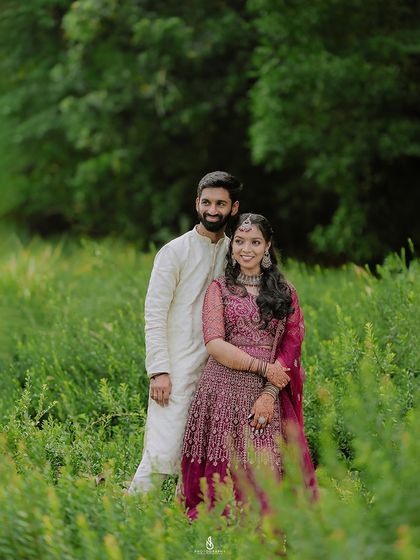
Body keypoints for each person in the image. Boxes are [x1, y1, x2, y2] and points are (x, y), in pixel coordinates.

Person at [180, 213, 317, 519]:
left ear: (267, 246)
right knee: (218, 481)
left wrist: (268, 392)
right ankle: (212, 544)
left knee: (263, 475)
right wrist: (263, 367)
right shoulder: (219, 289)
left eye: (255, 242)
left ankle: (261, 541)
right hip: (221, 393)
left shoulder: (285, 292)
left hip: (266, 396)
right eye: (239, 242)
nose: (246, 249)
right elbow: (215, 344)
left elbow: (291, 346)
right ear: (232, 247)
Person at [128, 171, 242, 494]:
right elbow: (154, 314)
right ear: (197, 204)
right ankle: (129, 516)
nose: (212, 209)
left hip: (217, 370)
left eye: (221, 203)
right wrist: (159, 369)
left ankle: (186, 522)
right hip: (175, 367)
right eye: (206, 202)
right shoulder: (173, 252)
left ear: (233, 207)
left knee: (201, 454)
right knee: (163, 450)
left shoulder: (236, 254)